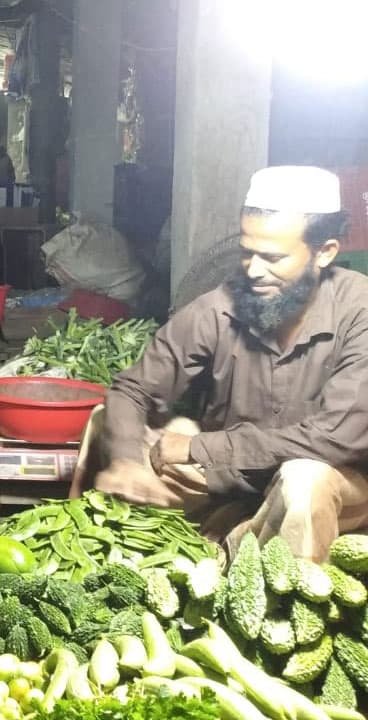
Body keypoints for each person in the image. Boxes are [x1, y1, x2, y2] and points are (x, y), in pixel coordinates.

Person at [90, 166, 368, 562]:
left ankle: (267, 589)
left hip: (342, 484)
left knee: (303, 481)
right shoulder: (221, 306)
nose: (254, 271)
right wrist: (126, 462)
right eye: (246, 253)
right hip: (236, 480)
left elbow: (337, 438)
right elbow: (133, 389)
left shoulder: (359, 311)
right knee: (109, 423)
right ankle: (227, 536)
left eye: (272, 257)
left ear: (324, 252)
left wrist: (200, 447)